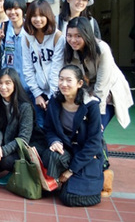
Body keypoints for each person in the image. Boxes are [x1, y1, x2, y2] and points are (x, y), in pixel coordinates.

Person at [42, 65, 104, 207]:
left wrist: (71, 171)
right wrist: (54, 141)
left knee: (70, 198)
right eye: (61, 79)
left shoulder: (90, 105)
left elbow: (94, 143)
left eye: (69, 80)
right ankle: (61, 181)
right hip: (68, 149)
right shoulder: (54, 101)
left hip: (86, 154)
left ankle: (73, 178)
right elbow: (48, 128)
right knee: (51, 155)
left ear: (80, 83)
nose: (64, 84)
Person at [64, 17, 133, 130]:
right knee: (83, 130)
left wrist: (96, 115)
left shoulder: (102, 49)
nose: (73, 40)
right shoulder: (69, 50)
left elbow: (102, 85)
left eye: (78, 36)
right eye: (69, 35)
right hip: (88, 90)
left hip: (109, 91)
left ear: (87, 35)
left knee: (96, 129)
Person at [0, 68, 46, 185]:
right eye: (0, 83)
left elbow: (24, 139)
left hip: (30, 146)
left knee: (4, 160)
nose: (3, 87)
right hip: (12, 142)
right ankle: (14, 170)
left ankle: (19, 172)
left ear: (15, 84)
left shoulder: (25, 107)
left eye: (8, 83)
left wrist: (2, 151)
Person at [22, 0, 65, 127]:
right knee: (41, 126)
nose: (38, 19)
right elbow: (28, 68)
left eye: (42, 15)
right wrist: (37, 94)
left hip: (57, 91)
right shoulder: (27, 37)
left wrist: (52, 97)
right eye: (34, 16)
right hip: (38, 92)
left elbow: (56, 69)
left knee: (57, 125)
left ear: (48, 16)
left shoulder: (58, 37)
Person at [0, 0, 28, 87]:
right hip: (10, 79)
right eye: (9, 9)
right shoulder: (4, 27)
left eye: (16, 9)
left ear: (23, 10)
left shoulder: (30, 28)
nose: (12, 12)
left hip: (29, 79)